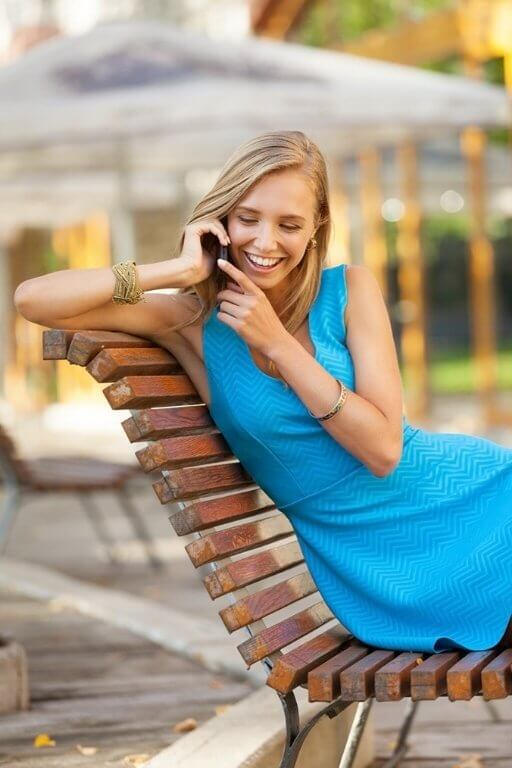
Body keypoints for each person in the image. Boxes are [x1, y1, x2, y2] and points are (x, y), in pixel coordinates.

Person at [14, 130, 512, 654]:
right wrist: (177, 270)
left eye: (289, 224)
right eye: (247, 218)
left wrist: (278, 344)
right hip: (384, 567)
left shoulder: (349, 291)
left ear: (316, 228)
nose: (265, 242)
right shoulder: (192, 322)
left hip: (472, 502)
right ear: (222, 220)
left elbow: (385, 450)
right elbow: (35, 300)